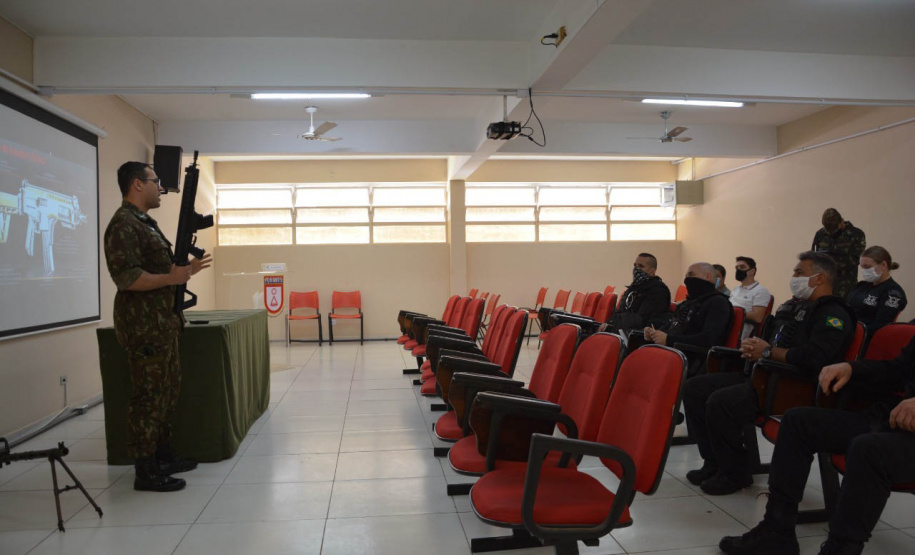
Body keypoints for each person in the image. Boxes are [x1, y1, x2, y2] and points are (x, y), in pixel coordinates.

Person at [719, 335, 915, 555]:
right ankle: (776, 531)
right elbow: (897, 371)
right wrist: (851, 368)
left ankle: (841, 549)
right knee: (797, 422)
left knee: (868, 449)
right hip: (896, 421)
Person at [682, 252, 855, 495]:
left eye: (799, 273)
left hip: (792, 385)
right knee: (694, 388)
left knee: (721, 402)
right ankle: (713, 462)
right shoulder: (794, 307)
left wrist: (768, 352)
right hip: (766, 375)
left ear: (819, 278)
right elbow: (774, 343)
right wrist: (754, 348)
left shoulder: (833, 314)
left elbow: (816, 358)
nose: (793, 277)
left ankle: (734, 472)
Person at [104, 161, 212, 492]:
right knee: (148, 398)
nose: (160, 187)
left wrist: (186, 271)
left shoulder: (144, 223)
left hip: (161, 323)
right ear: (137, 184)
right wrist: (170, 277)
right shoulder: (123, 225)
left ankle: (163, 455)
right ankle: (146, 471)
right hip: (144, 327)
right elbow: (127, 278)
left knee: (166, 392)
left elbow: (162, 272)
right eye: (155, 181)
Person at [644, 262, 732, 377]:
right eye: (686, 276)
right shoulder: (688, 303)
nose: (687, 280)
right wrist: (655, 333)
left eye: (691, 275)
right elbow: (674, 326)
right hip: (673, 353)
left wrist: (669, 340)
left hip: (694, 360)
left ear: (708, 276)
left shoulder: (718, 303)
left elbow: (709, 339)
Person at [846, 245, 907, 336]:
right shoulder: (860, 286)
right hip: (847, 331)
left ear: (883, 265)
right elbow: (846, 309)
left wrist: (851, 331)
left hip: (866, 337)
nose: (864, 270)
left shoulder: (893, 292)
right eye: (862, 267)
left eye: (867, 267)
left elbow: (881, 326)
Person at [606, 253, 671, 335]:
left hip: (638, 335)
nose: (636, 269)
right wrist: (609, 323)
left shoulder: (658, 290)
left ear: (652, 271)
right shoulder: (633, 288)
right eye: (635, 265)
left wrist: (615, 323)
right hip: (621, 330)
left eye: (641, 266)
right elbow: (620, 311)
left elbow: (642, 319)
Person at [812, 208, 866, 300]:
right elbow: (814, 256)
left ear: (842, 222)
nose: (830, 233)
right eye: (828, 229)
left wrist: (830, 264)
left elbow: (855, 259)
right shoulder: (820, 234)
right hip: (825, 285)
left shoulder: (856, 234)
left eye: (834, 229)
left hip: (846, 286)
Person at [729, 256, 771, 340]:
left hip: (740, 331)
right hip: (728, 324)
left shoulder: (760, 291)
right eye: (737, 268)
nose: (738, 270)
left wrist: (732, 312)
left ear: (752, 271)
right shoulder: (736, 289)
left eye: (742, 267)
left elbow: (758, 317)